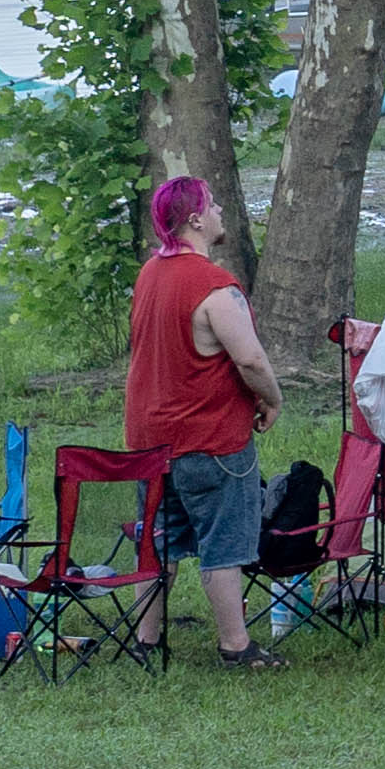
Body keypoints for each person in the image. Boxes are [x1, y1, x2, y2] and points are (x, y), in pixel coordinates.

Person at [123, 176, 285, 666]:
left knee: (160, 543)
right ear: (195, 219)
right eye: (212, 205)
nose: (219, 212)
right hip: (209, 440)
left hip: (150, 441)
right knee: (224, 544)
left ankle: (147, 640)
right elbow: (250, 360)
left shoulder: (150, 274)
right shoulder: (215, 287)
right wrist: (272, 399)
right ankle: (236, 645)